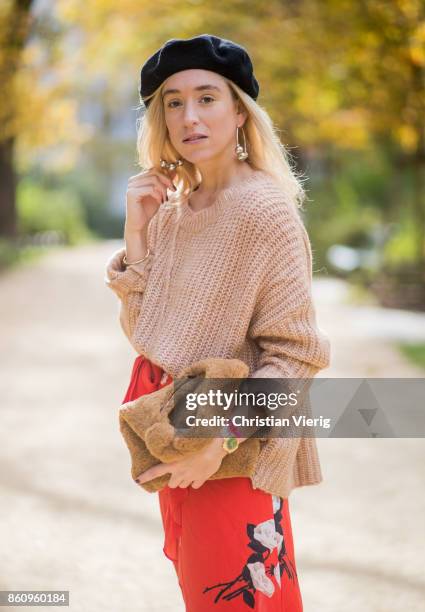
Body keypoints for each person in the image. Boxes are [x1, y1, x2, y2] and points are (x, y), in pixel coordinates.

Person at [104, 34, 331, 611]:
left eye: (207, 98)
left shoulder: (266, 212)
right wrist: (137, 234)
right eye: (173, 103)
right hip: (173, 437)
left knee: (237, 600)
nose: (190, 116)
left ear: (239, 112)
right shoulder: (174, 211)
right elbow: (147, 334)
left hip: (232, 450)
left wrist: (220, 442)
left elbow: (295, 356)